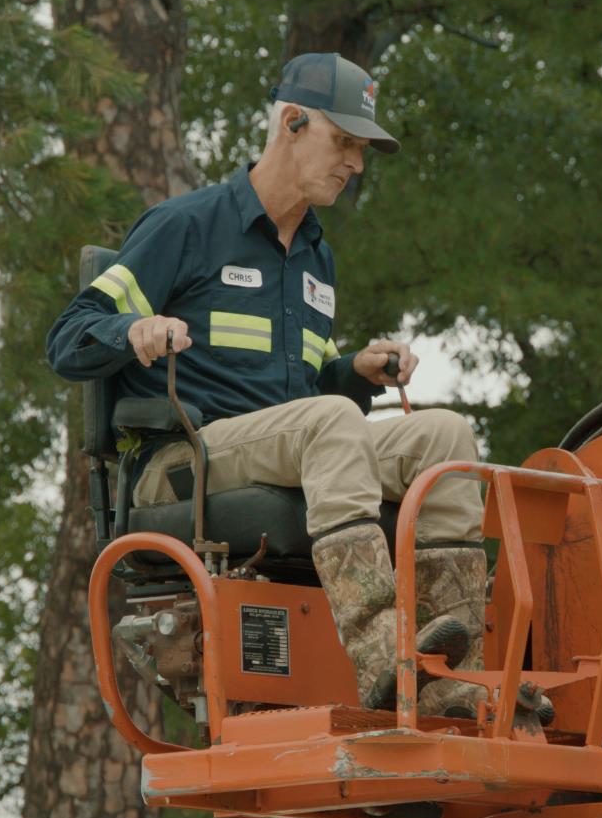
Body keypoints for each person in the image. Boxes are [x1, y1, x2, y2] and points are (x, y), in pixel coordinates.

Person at [46, 52, 487, 718]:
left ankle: (455, 676)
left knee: (447, 433)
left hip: (288, 447)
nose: (356, 164)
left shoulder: (315, 256)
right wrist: (130, 332)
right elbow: (68, 335)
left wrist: (354, 372)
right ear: (290, 122)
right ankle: (382, 660)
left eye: (362, 149)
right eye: (343, 143)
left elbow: (312, 391)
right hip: (182, 463)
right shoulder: (187, 227)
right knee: (332, 420)